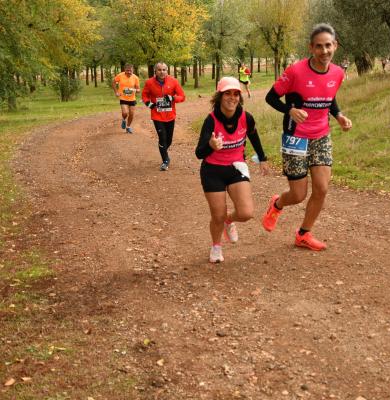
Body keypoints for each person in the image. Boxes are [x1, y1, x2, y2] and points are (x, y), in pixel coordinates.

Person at [261, 23, 352, 251]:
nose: (324, 51)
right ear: (311, 48)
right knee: (298, 194)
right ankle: (277, 203)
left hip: (321, 135)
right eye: (319, 46)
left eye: (328, 46)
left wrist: (338, 115)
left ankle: (303, 234)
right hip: (296, 136)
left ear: (335, 46)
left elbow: (328, 97)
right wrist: (289, 110)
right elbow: (270, 97)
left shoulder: (338, 73)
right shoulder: (295, 71)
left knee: (321, 189)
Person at [195, 77, 269, 263]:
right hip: (212, 171)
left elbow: (253, 136)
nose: (232, 97)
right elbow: (199, 153)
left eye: (236, 93)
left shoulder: (246, 117)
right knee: (217, 215)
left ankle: (229, 221)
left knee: (246, 213)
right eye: (227, 93)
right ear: (219, 96)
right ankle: (216, 247)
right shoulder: (210, 121)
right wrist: (211, 145)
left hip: (236, 168)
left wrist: (262, 158)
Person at [142, 62, 186, 171]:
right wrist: (149, 104)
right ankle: (165, 160)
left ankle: (163, 151)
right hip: (157, 115)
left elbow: (182, 96)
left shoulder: (173, 81)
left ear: (167, 71)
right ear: (155, 71)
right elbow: (144, 95)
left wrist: (173, 98)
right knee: (162, 138)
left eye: (164, 70)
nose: (162, 72)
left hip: (170, 115)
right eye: (159, 70)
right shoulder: (149, 82)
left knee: (169, 140)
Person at [112, 64, 140, 134]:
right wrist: (116, 92)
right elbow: (113, 82)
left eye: (130, 71)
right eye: (127, 70)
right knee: (125, 113)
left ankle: (128, 127)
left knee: (131, 114)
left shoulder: (135, 78)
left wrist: (136, 90)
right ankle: (124, 119)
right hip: (123, 97)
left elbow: (138, 89)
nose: (129, 72)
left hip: (132, 98)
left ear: (133, 70)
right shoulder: (120, 75)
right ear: (125, 70)